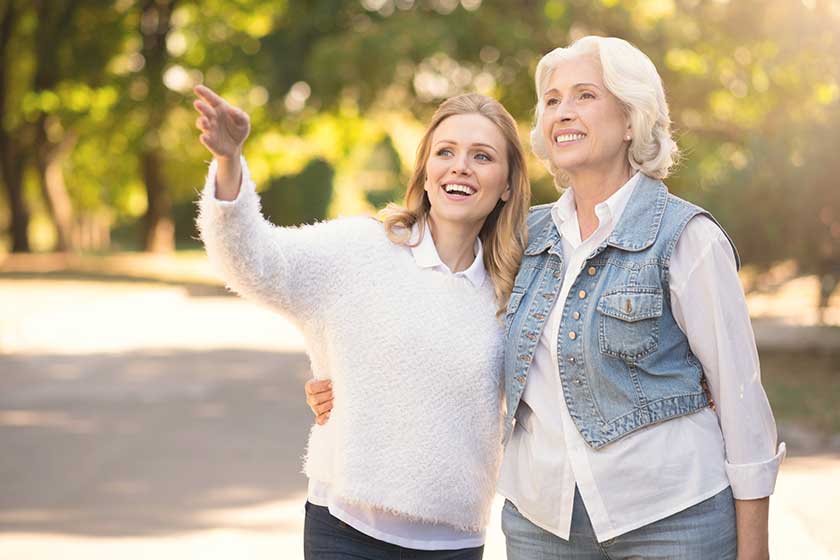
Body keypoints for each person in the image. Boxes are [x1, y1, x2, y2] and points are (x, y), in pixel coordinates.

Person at [308, 36, 785, 560]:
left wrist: (754, 547)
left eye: (585, 95)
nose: (563, 111)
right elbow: (434, 309)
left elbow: (741, 401)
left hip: (670, 517)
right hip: (542, 526)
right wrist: (345, 379)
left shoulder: (686, 237)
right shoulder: (522, 241)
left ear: (632, 119)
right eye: (553, 100)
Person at [192, 84, 530, 559]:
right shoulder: (361, 250)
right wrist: (229, 162)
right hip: (344, 531)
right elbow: (254, 263)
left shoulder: (517, 290)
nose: (460, 166)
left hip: (453, 542)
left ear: (509, 184)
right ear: (427, 173)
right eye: (446, 152)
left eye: (482, 156)